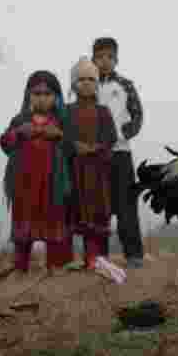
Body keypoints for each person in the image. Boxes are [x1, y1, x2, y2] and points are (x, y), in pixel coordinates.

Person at [0, 70, 73, 277]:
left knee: (53, 223)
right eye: (37, 93)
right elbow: (5, 144)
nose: (42, 98)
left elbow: (72, 149)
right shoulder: (20, 120)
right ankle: (20, 267)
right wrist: (18, 133)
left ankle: (54, 266)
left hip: (53, 184)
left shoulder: (62, 121)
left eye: (47, 94)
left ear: (56, 97)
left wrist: (58, 135)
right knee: (24, 224)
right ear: (28, 95)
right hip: (24, 183)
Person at [92, 37, 146, 268]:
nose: (104, 61)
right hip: (94, 155)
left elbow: (137, 115)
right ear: (93, 59)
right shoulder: (87, 86)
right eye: (99, 57)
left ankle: (134, 255)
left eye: (109, 57)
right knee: (97, 206)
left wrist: (124, 134)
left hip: (121, 154)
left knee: (126, 206)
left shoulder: (125, 85)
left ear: (116, 59)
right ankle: (99, 256)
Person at [63, 57, 117, 270]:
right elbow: (62, 139)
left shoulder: (103, 112)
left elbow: (111, 138)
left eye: (91, 79)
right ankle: (67, 260)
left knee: (98, 214)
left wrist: (96, 148)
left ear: (97, 84)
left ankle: (98, 260)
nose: (86, 83)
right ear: (74, 83)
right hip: (74, 171)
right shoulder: (66, 111)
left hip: (98, 173)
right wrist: (74, 146)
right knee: (72, 214)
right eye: (81, 79)